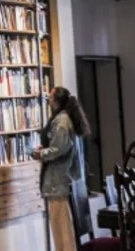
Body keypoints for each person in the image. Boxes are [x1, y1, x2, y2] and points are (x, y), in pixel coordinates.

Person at [34, 86, 91, 251]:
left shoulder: (62, 120)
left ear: (56, 100)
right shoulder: (64, 118)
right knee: (61, 227)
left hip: (58, 180)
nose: (48, 99)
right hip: (60, 179)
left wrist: (41, 153)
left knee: (62, 229)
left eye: (50, 96)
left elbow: (59, 148)